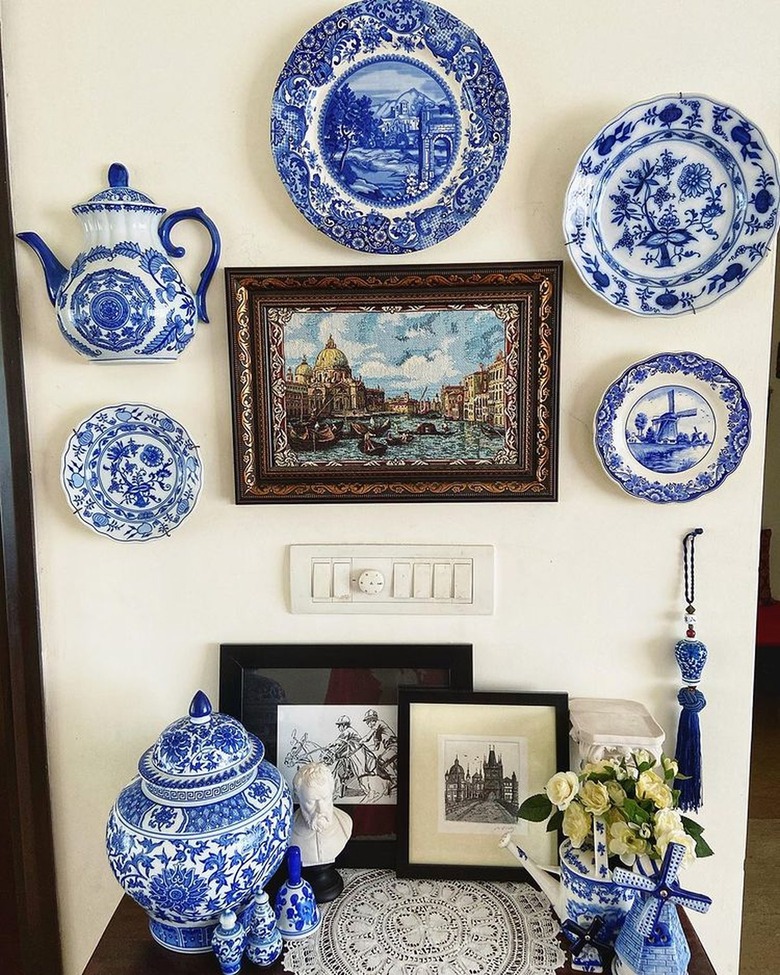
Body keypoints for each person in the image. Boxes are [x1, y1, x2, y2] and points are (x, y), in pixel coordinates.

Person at [289, 762, 353, 867]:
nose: (320, 809)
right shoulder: (289, 830)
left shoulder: (345, 823)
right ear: (298, 797)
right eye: (311, 802)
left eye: (325, 798)